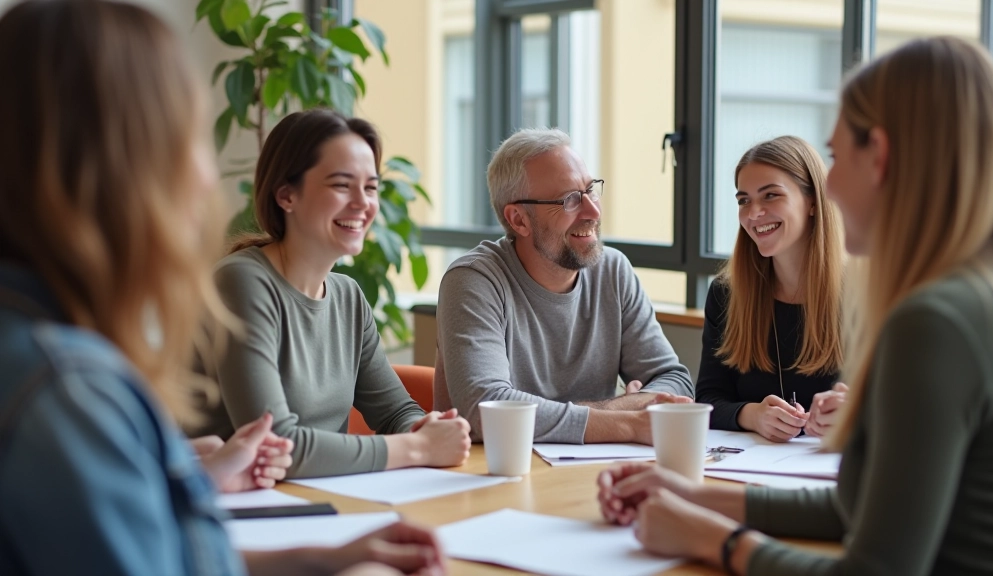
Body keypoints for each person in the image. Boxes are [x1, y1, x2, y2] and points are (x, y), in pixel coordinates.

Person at [0, 1, 445, 574]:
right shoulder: (69, 388)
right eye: (186, 140)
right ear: (119, 165)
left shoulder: (45, 352)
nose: (207, 177)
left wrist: (312, 557)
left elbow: (162, 553)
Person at [597, 36, 993, 575]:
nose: (834, 187)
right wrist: (692, 495)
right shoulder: (991, 295)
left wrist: (717, 540)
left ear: (883, 158)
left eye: (838, 157)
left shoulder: (935, 322)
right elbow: (860, 508)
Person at [198, 109, 470, 478]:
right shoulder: (241, 283)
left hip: (324, 501)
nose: (363, 203)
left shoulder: (348, 296)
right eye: (342, 185)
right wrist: (418, 447)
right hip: (236, 511)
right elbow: (276, 442)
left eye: (371, 187)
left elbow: (394, 411)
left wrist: (425, 429)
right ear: (286, 196)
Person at [435, 128, 694, 444]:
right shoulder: (474, 280)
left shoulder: (612, 271)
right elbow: (487, 409)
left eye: (590, 190)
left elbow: (675, 381)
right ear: (519, 220)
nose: (593, 211)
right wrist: (626, 421)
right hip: (494, 477)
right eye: (570, 199)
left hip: (590, 474)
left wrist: (607, 412)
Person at [695, 136, 845, 441]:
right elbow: (708, 399)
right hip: (750, 469)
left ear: (813, 201)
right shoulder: (727, 294)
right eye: (744, 200)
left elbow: (907, 407)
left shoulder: (867, 296)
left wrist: (856, 413)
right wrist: (751, 415)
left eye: (771, 195)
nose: (753, 213)